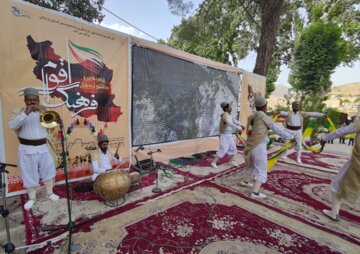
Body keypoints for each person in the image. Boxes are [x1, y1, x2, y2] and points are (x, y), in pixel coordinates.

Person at [8, 87, 59, 210]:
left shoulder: (43, 111)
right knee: (29, 173)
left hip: (43, 147)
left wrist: (42, 111)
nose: (32, 102)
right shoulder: (18, 112)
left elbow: (54, 125)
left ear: (38, 100)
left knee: (48, 170)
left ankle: (50, 193)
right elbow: (12, 126)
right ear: (25, 100)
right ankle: (32, 198)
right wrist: (25, 113)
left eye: (35, 100)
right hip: (26, 148)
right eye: (30, 100)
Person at [242, 96, 294, 199]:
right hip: (259, 147)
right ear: (265, 105)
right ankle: (255, 193)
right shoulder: (264, 117)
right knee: (262, 170)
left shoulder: (251, 117)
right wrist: (291, 137)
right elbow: (278, 130)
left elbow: (253, 131)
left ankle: (245, 181)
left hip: (250, 146)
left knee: (252, 166)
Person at [320, 117, 360, 221]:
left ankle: (334, 213)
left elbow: (342, 131)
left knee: (336, 184)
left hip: (357, 162)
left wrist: (324, 138)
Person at [211, 102, 244, 168]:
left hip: (229, 135)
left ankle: (231, 161)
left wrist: (241, 125)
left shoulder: (229, 115)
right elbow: (230, 123)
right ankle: (213, 162)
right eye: (229, 107)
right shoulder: (224, 116)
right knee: (223, 149)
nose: (231, 108)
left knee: (234, 148)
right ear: (226, 109)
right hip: (224, 136)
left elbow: (234, 121)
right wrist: (238, 128)